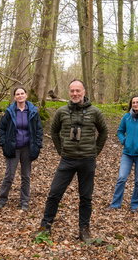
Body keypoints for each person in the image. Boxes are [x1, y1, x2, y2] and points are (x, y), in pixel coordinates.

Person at [37, 79, 108, 242]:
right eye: (72, 91)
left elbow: (104, 132)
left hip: (87, 160)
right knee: (54, 193)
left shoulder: (95, 112)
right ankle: (44, 228)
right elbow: (53, 131)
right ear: (69, 92)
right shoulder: (62, 111)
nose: (75, 93)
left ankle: (84, 231)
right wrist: (60, 151)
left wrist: (95, 151)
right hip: (67, 160)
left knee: (86, 197)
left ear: (84, 92)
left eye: (78, 90)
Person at [107, 95, 138, 214]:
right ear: (131, 104)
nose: (135, 104)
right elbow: (120, 131)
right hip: (127, 153)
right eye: (133, 102)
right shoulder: (126, 117)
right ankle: (115, 204)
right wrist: (123, 141)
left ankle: (134, 205)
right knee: (121, 178)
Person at [0, 86, 43, 211]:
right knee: (9, 176)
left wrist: (38, 145)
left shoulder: (33, 111)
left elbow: (39, 130)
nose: (20, 96)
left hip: (28, 148)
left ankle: (24, 202)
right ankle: (1, 200)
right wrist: (3, 143)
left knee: (26, 176)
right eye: (17, 94)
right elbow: (1, 128)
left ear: (26, 95)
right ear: (15, 97)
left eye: (22, 93)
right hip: (13, 148)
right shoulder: (10, 111)